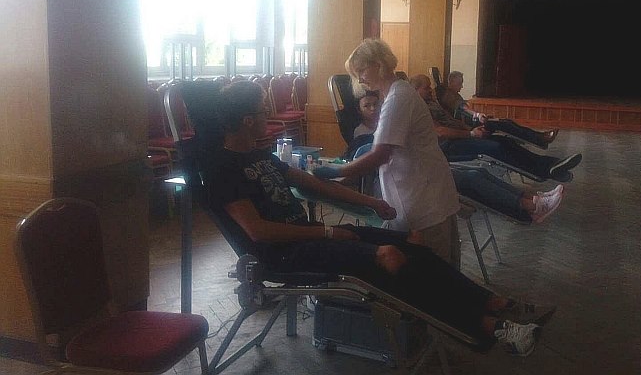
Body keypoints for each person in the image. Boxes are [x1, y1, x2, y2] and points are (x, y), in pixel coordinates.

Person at [203, 80, 550, 357]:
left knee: (413, 241)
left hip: (310, 237)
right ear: (248, 120)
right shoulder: (222, 169)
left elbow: (314, 185)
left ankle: (494, 303)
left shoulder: (263, 156)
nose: (268, 115)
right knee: (389, 257)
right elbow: (258, 232)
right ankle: (492, 327)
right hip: (282, 255)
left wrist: (371, 202)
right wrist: (328, 233)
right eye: (263, 110)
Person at [313, 39, 462, 267]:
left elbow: (381, 154)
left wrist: (338, 171)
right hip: (425, 192)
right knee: (435, 269)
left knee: (433, 271)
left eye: (362, 71)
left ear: (378, 64)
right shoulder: (397, 93)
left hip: (424, 198)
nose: (360, 79)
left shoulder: (397, 98)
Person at [351, 88, 565, 224]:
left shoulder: (392, 119)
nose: (373, 108)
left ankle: (533, 199)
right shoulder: (361, 133)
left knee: (479, 171)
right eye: (367, 106)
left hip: (423, 165)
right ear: (359, 110)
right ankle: (530, 207)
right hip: (409, 180)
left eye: (375, 104)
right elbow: (370, 159)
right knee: (472, 177)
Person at [409, 74, 583, 183]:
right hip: (449, 146)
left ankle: (551, 164)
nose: (430, 90)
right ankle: (545, 167)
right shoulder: (418, 107)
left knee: (504, 141)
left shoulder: (430, 102)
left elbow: (451, 120)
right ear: (415, 90)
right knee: (496, 146)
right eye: (426, 88)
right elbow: (439, 131)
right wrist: (471, 133)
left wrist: (469, 129)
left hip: (462, 135)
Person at [439, 70, 558, 150]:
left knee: (506, 122)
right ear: (451, 82)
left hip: (468, 123)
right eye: (459, 83)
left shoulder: (453, 94)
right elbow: (463, 108)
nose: (462, 86)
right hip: (468, 126)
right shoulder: (448, 96)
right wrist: (477, 114)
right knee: (504, 124)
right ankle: (540, 138)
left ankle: (539, 137)